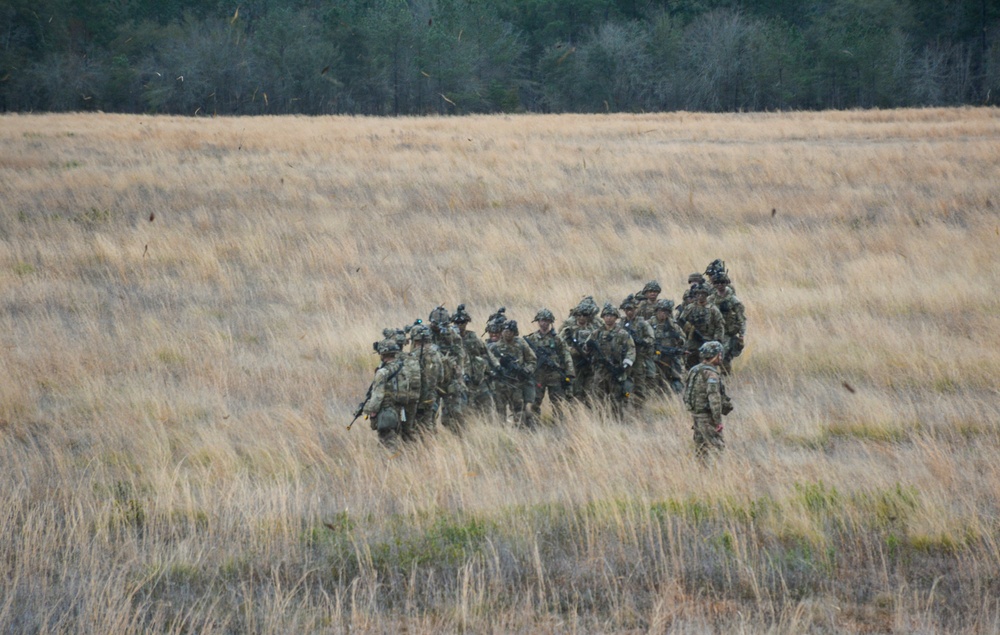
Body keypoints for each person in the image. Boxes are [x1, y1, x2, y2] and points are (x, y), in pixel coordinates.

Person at [360, 341, 418, 448]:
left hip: (386, 411)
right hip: (401, 410)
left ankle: (391, 462)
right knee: (400, 438)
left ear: (382, 354)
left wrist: (370, 411)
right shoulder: (404, 369)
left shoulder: (383, 372)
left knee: (387, 442)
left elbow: (378, 396)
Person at [583, 302, 636, 416]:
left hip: (616, 370)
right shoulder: (596, 333)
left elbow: (631, 350)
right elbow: (585, 348)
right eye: (606, 315)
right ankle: (600, 420)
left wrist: (625, 365)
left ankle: (617, 421)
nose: (608, 318)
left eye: (611, 315)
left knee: (617, 398)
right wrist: (588, 347)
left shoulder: (622, 334)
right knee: (598, 397)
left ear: (616, 317)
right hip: (600, 370)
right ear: (603, 317)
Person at [683, 341, 732, 461]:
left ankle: (702, 472)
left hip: (696, 415)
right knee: (718, 446)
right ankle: (718, 473)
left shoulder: (694, 370)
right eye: (719, 354)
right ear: (715, 355)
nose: (721, 357)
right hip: (706, 416)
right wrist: (717, 420)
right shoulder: (711, 374)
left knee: (701, 448)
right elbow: (714, 398)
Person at [524, 308, 575, 421]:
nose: (544, 323)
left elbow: (566, 355)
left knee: (557, 402)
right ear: (538, 321)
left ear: (550, 322)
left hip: (554, 375)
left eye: (547, 320)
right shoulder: (532, 339)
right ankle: (534, 424)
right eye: (542, 320)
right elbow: (526, 356)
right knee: (535, 401)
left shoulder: (557, 339)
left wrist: (570, 373)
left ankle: (559, 425)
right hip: (538, 375)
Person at [488, 320, 537, 427]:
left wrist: (526, 370)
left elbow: (532, 360)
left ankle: (521, 432)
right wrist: (496, 369)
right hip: (500, 385)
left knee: (519, 410)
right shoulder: (494, 347)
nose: (508, 333)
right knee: (500, 411)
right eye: (505, 330)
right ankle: (501, 433)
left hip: (516, 384)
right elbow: (487, 365)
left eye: (510, 331)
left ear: (515, 332)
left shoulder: (521, 344)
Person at [428, 305, 468, 435]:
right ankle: (430, 441)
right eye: (435, 323)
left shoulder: (453, 334)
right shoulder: (424, 334)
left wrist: (458, 373)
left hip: (450, 379)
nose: (439, 326)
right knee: (428, 416)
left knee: (452, 416)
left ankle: (460, 439)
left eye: (443, 324)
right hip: (431, 381)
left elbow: (460, 355)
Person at [452, 304, 497, 414]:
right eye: (456, 323)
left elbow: (487, 353)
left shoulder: (473, 338)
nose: (459, 325)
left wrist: (496, 367)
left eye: (461, 322)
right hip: (458, 380)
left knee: (486, 408)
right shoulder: (450, 340)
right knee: (461, 410)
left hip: (476, 379)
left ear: (466, 323)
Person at [559, 297, 600, 402]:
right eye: (579, 315)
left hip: (590, 365)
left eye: (585, 315)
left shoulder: (594, 330)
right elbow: (559, 345)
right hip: (574, 365)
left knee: (590, 394)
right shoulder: (568, 330)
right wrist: (572, 350)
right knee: (575, 393)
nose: (582, 318)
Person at [619, 295, 655, 408]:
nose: (629, 312)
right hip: (624, 357)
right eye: (627, 310)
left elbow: (651, 338)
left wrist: (642, 341)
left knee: (639, 383)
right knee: (623, 382)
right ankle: (623, 405)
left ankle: (639, 407)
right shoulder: (620, 324)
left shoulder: (642, 323)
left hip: (639, 356)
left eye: (632, 310)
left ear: (636, 309)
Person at [408, 324, 443, 435]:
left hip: (418, 397)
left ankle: (423, 447)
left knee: (417, 426)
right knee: (430, 422)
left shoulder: (413, 355)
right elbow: (441, 377)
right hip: (433, 395)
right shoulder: (437, 354)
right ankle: (432, 446)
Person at [679, 284, 724, 370]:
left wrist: (717, 340)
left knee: (708, 364)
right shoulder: (690, 308)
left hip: (708, 340)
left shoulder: (713, 309)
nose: (700, 296)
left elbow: (719, 325)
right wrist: (688, 330)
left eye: (703, 294)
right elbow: (681, 322)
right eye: (698, 294)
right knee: (690, 363)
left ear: (707, 295)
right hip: (692, 341)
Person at [709, 272, 746, 375]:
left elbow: (741, 319)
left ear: (726, 283)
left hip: (728, 332)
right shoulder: (711, 299)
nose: (720, 285)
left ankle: (725, 376)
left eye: (722, 282)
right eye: (717, 282)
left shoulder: (733, 300)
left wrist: (741, 335)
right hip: (714, 331)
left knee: (723, 355)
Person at [649, 298, 686, 393]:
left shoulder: (673, 325)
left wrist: (679, 339)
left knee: (677, 377)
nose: (663, 314)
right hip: (654, 356)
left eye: (666, 311)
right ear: (657, 311)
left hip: (670, 356)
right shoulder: (649, 324)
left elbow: (683, 339)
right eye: (661, 311)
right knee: (653, 379)